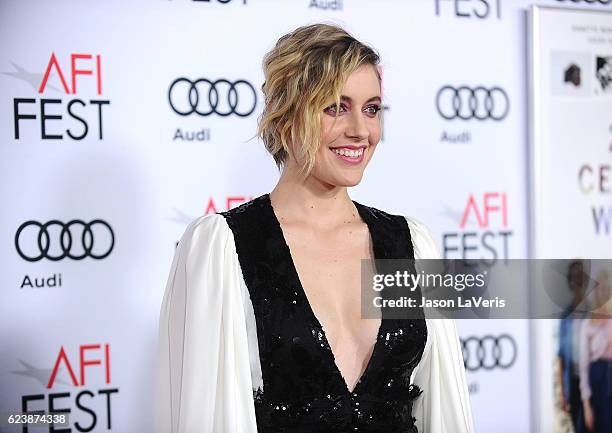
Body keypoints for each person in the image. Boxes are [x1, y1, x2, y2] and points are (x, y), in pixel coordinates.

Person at [155, 23, 474, 433]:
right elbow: (207, 416)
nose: (361, 130)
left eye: (372, 108)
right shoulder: (225, 248)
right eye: (335, 107)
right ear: (285, 115)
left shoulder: (409, 244)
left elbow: (443, 407)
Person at [557, 260, 589, 433]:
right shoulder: (565, 316)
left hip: (592, 382)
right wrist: (563, 392)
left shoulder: (594, 313)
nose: (577, 283)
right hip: (573, 381)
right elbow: (561, 355)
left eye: (581, 279)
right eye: (574, 279)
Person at [579, 270, 612, 433]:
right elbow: (583, 366)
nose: (604, 292)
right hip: (596, 376)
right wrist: (586, 406)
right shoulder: (588, 323)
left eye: (608, 288)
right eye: (601, 289)